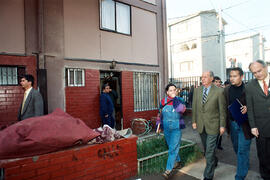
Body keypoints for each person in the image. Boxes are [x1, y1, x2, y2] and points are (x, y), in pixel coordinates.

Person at [192, 71, 226, 180]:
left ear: (211, 78)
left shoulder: (219, 91)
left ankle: (208, 175)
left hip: (214, 125)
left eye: (205, 77)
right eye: (202, 77)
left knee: (210, 151)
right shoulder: (197, 91)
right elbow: (194, 107)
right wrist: (194, 121)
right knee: (207, 149)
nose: (203, 79)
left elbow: (222, 110)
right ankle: (214, 161)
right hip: (201, 125)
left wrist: (222, 125)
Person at [224, 67, 253, 180]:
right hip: (232, 124)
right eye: (230, 76)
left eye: (235, 76)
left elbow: (257, 104)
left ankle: (239, 176)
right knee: (237, 148)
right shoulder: (226, 90)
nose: (232, 78)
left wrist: (248, 108)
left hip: (245, 125)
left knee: (242, 150)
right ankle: (244, 163)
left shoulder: (249, 88)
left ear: (242, 77)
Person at [246, 60, 270, 180]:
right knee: (263, 155)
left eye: (259, 71)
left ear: (265, 67)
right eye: (254, 73)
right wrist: (253, 126)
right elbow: (250, 108)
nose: (257, 74)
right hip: (261, 127)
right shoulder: (250, 85)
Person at [157, 83, 186, 179]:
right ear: (167, 92)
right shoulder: (163, 101)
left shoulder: (180, 100)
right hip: (166, 128)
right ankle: (178, 162)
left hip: (176, 128)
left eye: (174, 90)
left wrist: (175, 100)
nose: (173, 92)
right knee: (171, 146)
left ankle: (168, 170)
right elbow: (159, 113)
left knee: (172, 149)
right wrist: (158, 125)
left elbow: (182, 110)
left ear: (176, 91)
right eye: (170, 90)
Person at [213, 76, 224, 150]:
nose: (218, 83)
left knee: (220, 132)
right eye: (216, 82)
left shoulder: (222, 91)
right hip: (212, 116)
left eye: (219, 82)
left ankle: (218, 144)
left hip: (220, 115)